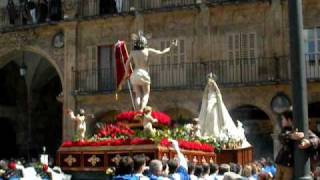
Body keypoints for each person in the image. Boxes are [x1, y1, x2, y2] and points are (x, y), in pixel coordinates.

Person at [125, 32, 177, 112]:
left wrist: (126, 74)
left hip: (135, 74)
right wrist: (170, 47)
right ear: (145, 42)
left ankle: (137, 111)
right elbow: (161, 53)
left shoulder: (132, 52)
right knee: (146, 94)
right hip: (144, 74)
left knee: (138, 95)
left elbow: (127, 64)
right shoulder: (147, 51)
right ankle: (142, 110)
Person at [275, 109, 320, 180]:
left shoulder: (305, 131)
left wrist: (309, 142)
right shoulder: (286, 131)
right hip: (281, 164)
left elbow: (316, 139)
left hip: (291, 167)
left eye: (283, 119)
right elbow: (281, 136)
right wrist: (291, 136)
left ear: (289, 120)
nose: (282, 121)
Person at [199, 73, 239, 139]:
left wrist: (215, 85)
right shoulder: (208, 89)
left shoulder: (215, 89)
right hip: (209, 104)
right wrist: (207, 86)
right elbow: (205, 95)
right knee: (208, 117)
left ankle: (215, 133)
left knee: (214, 118)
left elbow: (218, 94)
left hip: (214, 106)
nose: (210, 84)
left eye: (211, 81)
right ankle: (207, 132)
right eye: (209, 81)